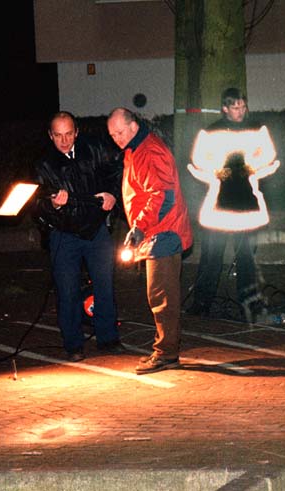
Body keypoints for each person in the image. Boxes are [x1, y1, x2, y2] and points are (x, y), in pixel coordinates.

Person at [107, 107, 193, 374]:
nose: (117, 138)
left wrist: (139, 228)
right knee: (160, 294)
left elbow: (161, 196)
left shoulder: (148, 150)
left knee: (161, 295)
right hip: (159, 232)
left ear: (133, 127)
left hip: (164, 234)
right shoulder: (138, 148)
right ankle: (166, 349)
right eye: (112, 134)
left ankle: (167, 353)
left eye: (120, 132)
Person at [34, 111, 125, 361]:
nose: (64, 141)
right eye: (58, 136)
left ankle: (108, 338)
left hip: (95, 231)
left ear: (76, 132)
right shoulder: (44, 164)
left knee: (104, 285)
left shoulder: (94, 151)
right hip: (64, 234)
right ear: (50, 136)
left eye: (68, 134)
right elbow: (37, 205)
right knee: (67, 290)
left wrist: (112, 195)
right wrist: (53, 206)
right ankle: (73, 344)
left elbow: (117, 171)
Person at [185, 88, 265, 320]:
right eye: (235, 107)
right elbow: (201, 163)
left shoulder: (254, 130)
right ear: (225, 108)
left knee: (247, 258)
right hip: (219, 205)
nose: (241, 111)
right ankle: (202, 301)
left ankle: (249, 302)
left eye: (243, 106)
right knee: (212, 256)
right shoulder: (212, 132)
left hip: (246, 204)